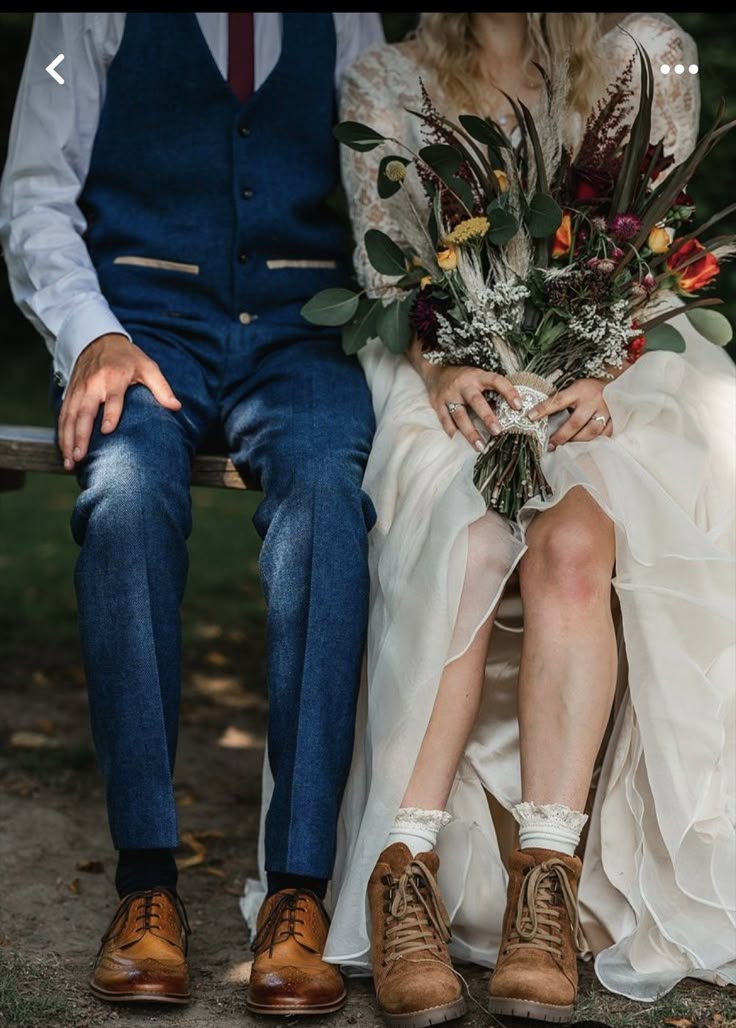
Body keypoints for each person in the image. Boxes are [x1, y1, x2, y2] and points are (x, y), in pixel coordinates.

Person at [320, 11, 735, 1026]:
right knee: (467, 537)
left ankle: (543, 883)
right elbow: (391, 277)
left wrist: (603, 363)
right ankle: (402, 872)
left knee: (572, 549)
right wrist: (449, 365)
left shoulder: (648, 54)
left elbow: (657, 258)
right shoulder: (387, 80)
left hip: (616, 374)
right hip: (448, 372)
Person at [0, 11, 384, 1014]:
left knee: (328, 503)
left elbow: (385, 174)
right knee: (123, 499)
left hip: (304, 333)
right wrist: (92, 335)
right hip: (143, 322)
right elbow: (36, 191)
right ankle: (145, 888)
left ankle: (297, 893)